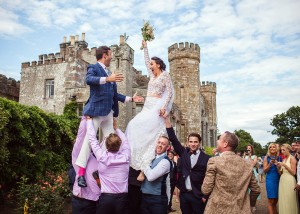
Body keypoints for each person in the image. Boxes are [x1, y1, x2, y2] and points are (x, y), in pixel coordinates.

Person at [75, 45, 143, 187]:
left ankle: (101, 168)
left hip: (108, 113)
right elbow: (89, 80)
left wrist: (131, 99)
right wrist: (107, 79)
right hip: (95, 111)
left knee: (112, 141)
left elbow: (115, 95)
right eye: (111, 54)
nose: (112, 56)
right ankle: (80, 174)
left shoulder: (111, 73)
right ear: (105, 55)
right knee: (89, 140)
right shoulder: (93, 68)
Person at [126, 40, 174, 181]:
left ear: (158, 64)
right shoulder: (152, 75)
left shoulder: (165, 75)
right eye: (150, 65)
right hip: (147, 105)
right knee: (133, 125)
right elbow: (147, 60)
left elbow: (170, 93)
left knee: (153, 134)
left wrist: (164, 107)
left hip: (157, 106)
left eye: (152, 64)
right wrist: (145, 47)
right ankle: (132, 159)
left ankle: (144, 166)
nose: (150, 66)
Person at [201, 131, 261, 214]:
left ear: (225, 144)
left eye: (219, 139)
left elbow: (206, 189)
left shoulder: (214, 161)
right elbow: (256, 190)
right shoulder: (247, 164)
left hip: (217, 209)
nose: (217, 141)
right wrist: (250, 204)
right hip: (241, 210)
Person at [165, 117, 210, 214]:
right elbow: (173, 138)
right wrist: (166, 119)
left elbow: (209, 178)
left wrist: (205, 196)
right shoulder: (183, 153)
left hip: (198, 195)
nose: (193, 144)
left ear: (199, 143)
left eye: (195, 142)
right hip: (184, 194)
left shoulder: (207, 158)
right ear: (188, 142)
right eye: (191, 142)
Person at [87, 117, 130, 214]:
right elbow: (125, 141)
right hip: (122, 199)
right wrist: (116, 128)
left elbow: (92, 139)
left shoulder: (102, 157)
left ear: (106, 145)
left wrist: (89, 121)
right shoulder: (126, 156)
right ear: (120, 145)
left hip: (106, 199)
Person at [71, 117, 101, 214]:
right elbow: (81, 137)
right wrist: (86, 118)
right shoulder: (79, 154)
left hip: (97, 201)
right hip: (81, 202)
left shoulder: (101, 157)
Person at [140, 136, 172, 214]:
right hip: (144, 196)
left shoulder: (165, 161)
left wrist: (145, 163)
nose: (160, 145)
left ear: (167, 147)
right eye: (159, 142)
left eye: (163, 144)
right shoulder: (151, 157)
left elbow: (151, 177)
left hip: (157, 199)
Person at [278, 144, 298, 214]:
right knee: (284, 199)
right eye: (281, 150)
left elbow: (293, 173)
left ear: (288, 150)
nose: (282, 151)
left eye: (284, 150)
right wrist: (278, 167)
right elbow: (281, 173)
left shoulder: (292, 158)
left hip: (289, 180)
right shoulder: (284, 159)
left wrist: (285, 165)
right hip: (283, 180)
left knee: (290, 199)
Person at [263, 143, 282, 214]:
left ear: (276, 148)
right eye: (270, 147)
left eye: (274, 147)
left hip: (278, 180)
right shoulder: (266, 158)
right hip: (270, 180)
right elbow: (265, 171)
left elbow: (280, 173)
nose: (272, 148)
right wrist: (270, 164)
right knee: (271, 200)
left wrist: (278, 166)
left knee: (276, 200)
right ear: (269, 149)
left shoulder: (279, 158)